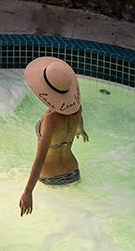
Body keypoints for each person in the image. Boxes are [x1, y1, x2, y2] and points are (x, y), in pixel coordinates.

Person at [19, 56, 88, 216]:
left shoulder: (50, 121)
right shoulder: (77, 109)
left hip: (49, 178)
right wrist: (80, 130)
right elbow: (79, 120)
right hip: (73, 172)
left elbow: (40, 158)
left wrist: (28, 192)